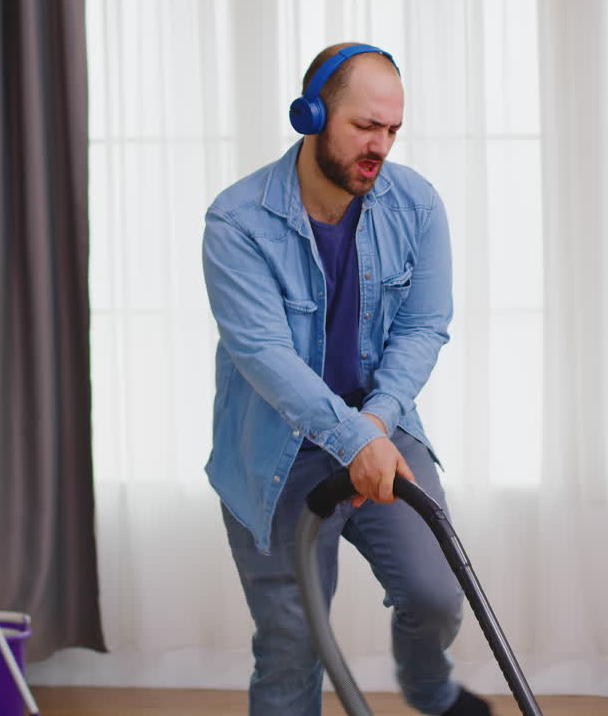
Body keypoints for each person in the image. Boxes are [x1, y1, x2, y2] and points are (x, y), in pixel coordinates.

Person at [201, 43, 491, 716]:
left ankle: (429, 690)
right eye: (365, 126)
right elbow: (263, 352)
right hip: (274, 451)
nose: (380, 146)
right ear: (310, 115)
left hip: (382, 426)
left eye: (392, 130)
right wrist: (352, 438)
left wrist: (376, 424)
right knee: (291, 647)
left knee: (436, 596)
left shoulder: (416, 205)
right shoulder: (237, 222)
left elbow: (424, 326)